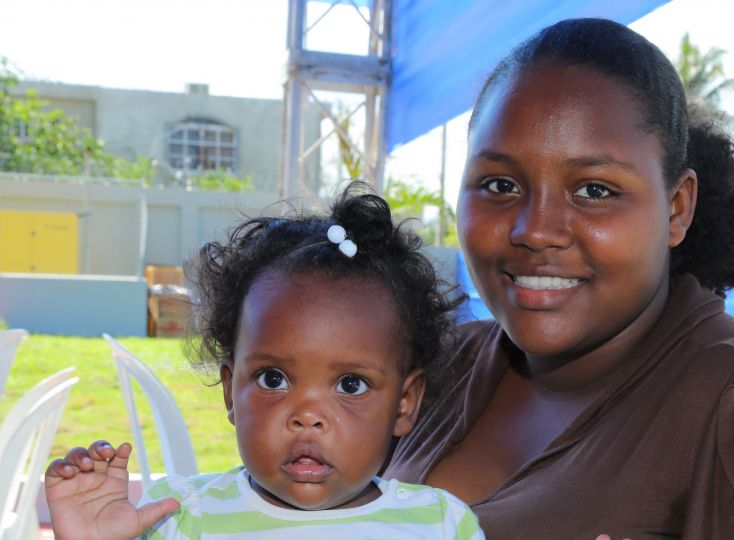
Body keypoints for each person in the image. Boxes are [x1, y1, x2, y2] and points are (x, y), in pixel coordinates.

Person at [385, 18, 734, 539]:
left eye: (594, 190)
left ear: (677, 208)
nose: (536, 230)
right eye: (500, 184)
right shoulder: (436, 372)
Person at [44, 184, 484, 539]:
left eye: (351, 384)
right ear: (232, 390)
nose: (307, 416)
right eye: (274, 378)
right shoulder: (181, 519)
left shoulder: (438, 525)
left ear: (405, 403)